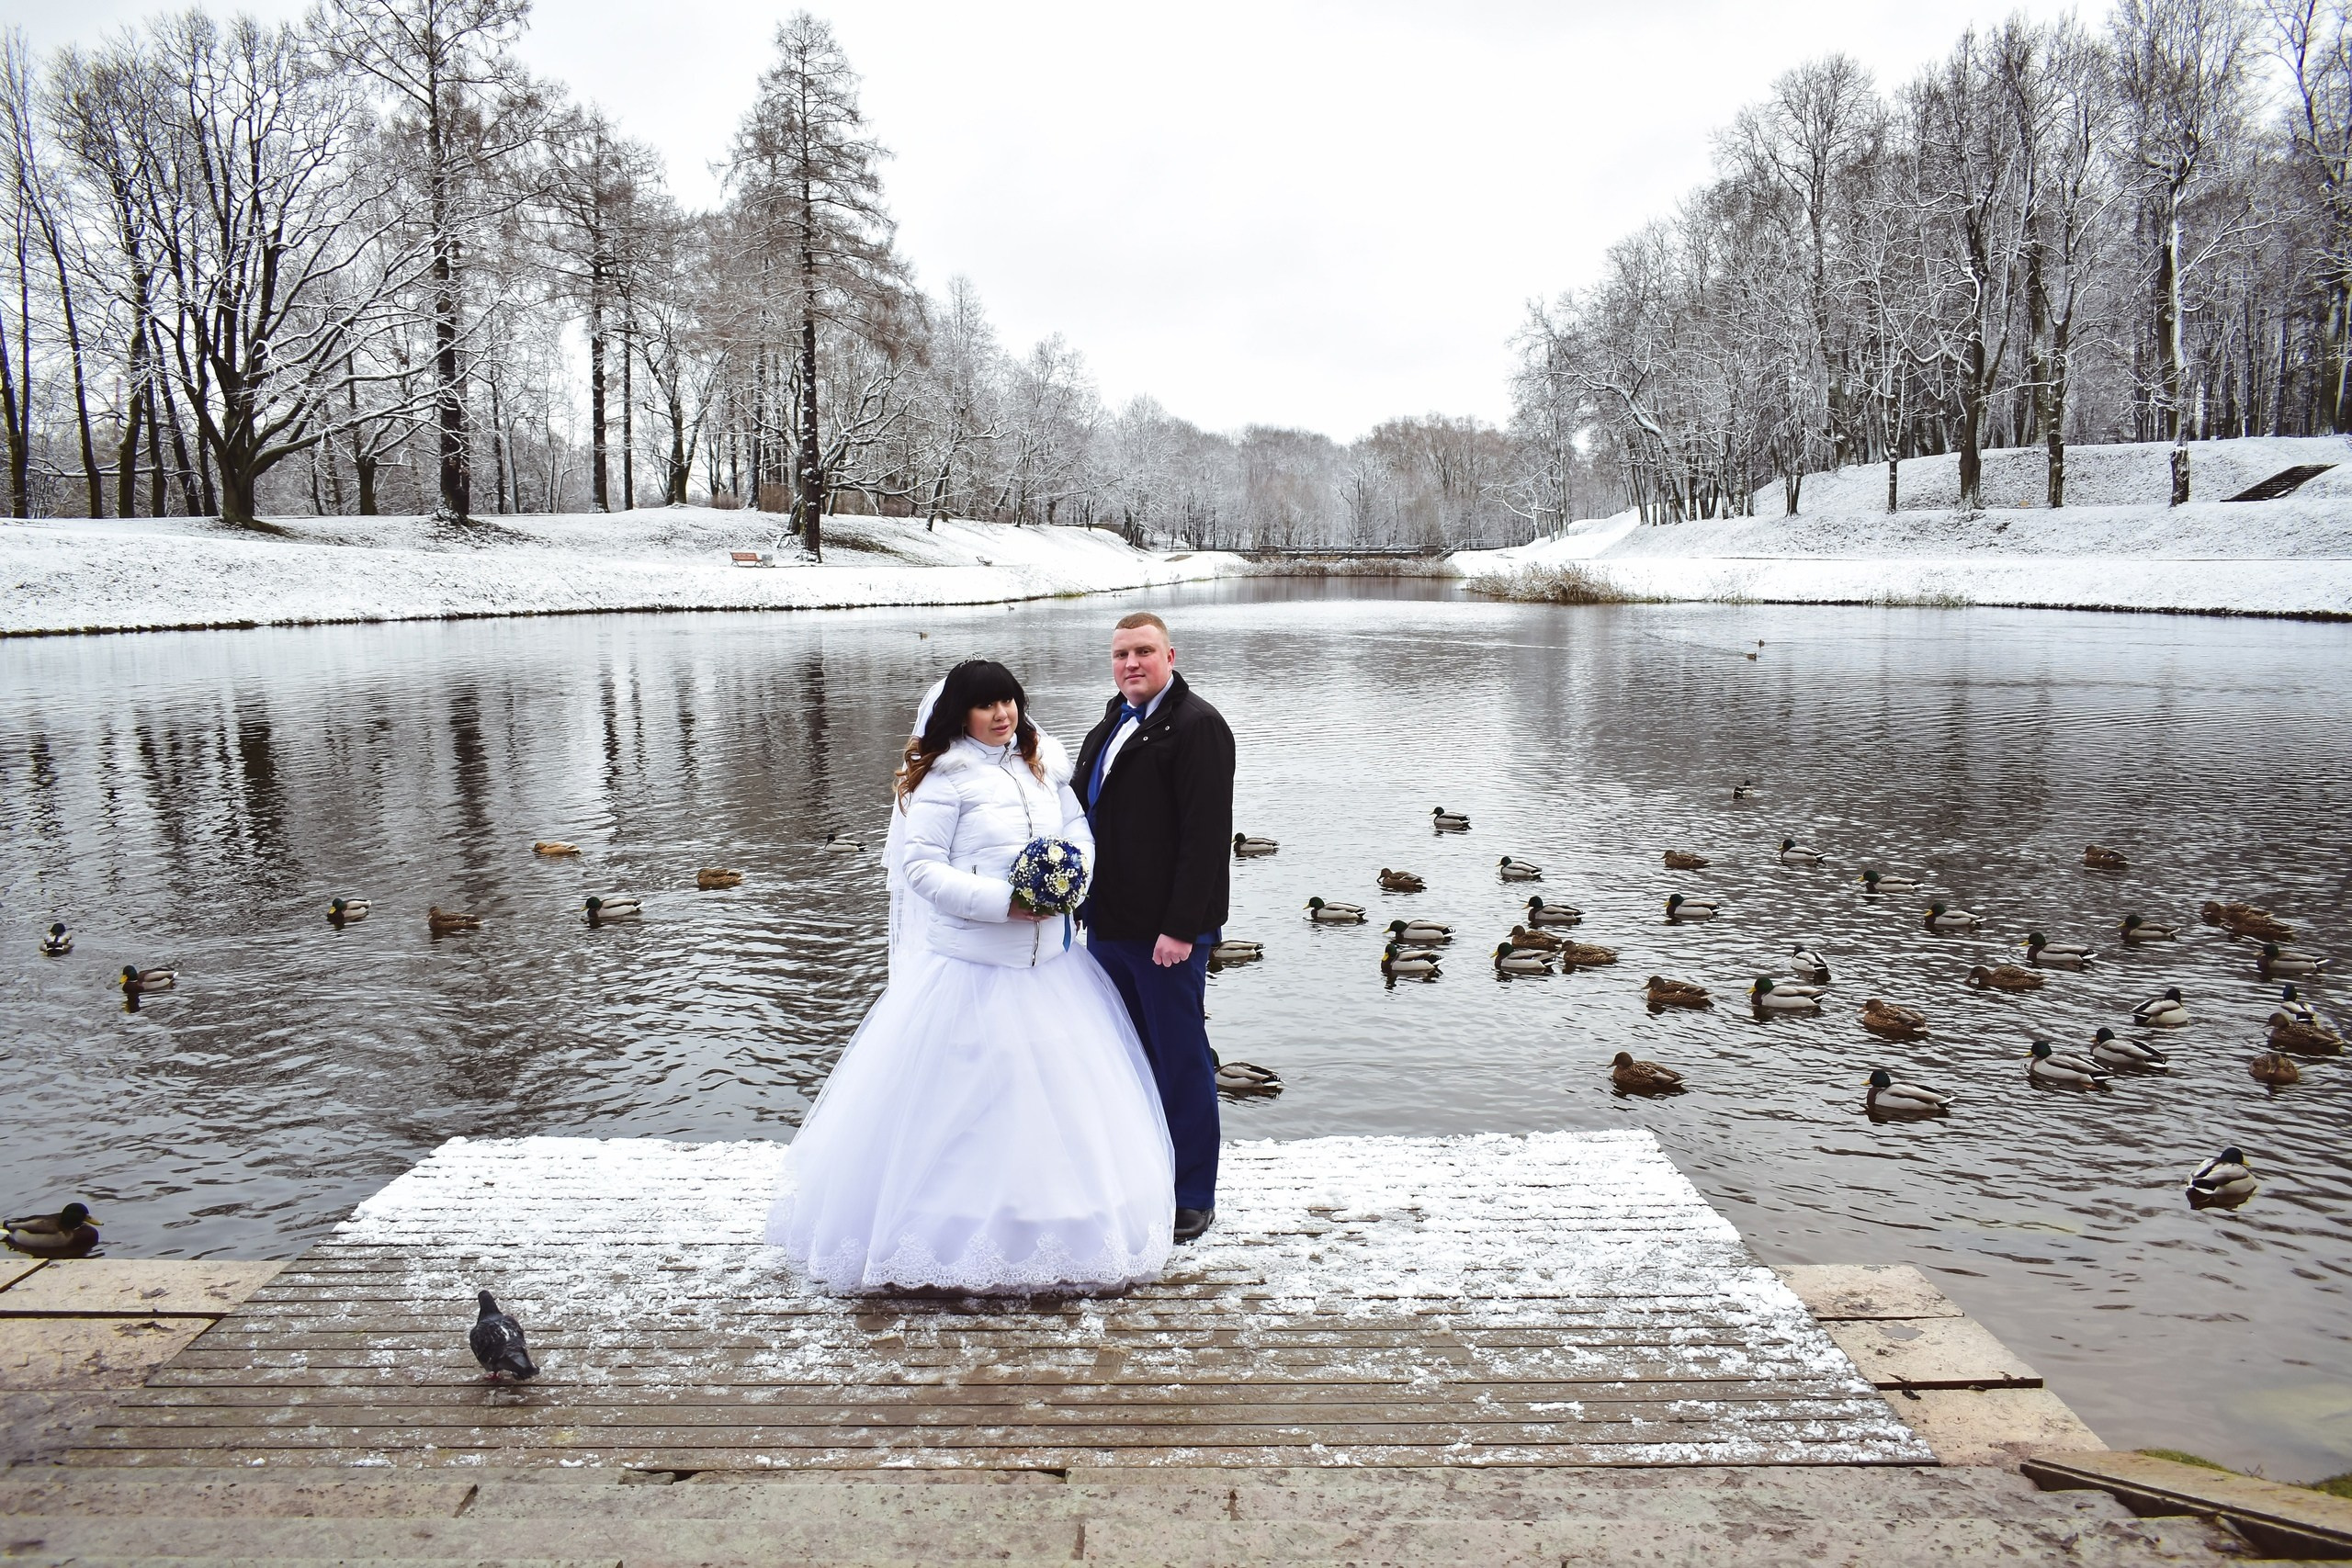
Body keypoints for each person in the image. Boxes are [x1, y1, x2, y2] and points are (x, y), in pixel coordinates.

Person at [769, 659, 1175, 1293]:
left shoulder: (1041, 765)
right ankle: (947, 1242)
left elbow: (1076, 830)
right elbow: (922, 869)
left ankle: (1055, 1230)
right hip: (973, 971)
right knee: (973, 1103)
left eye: (1009, 701)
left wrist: (1071, 878)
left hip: (1052, 969)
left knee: (1055, 1110)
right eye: (987, 705)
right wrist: (1003, 901)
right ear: (961, 714)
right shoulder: (943, 780)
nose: (1002, 714)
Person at [1073, 612, 1235, 1244]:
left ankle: (1192, 1194)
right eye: (1121, 654)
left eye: (1143, 651)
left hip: (1165, 936)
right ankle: (1142, 1179)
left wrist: (1181, 927)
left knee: (1180, 1060)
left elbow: (1205, 837)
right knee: (1125, 1061)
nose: (1131, 663)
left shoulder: (1198, 726)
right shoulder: (1111, 721)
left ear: (1170, 655)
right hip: (1108, 926)